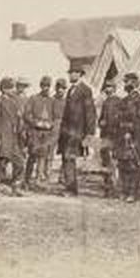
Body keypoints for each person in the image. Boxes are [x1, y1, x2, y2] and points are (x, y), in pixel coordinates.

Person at [57, 63, 96, 196]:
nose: (70, 75)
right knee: (66, 158)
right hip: (67, 133)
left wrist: (89, 134)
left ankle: (71, 189)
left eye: (73, 73)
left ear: (80, 74)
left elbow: (90, 112)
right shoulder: (70, 90)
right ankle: (70, 187)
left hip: (77, 132)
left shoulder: (85, 90)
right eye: (70, 73)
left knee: (69, 158)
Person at [0, 77, 25, 197]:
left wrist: (19, 118)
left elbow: (18, 120)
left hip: (13, 138)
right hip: (2, 137)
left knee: (19, 162)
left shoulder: (14, 102)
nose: (13, 90)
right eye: (10, 88)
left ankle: (16, 186)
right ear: (4, 89)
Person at [116, 72, 140, 203]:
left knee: (133, 164)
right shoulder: (124, 100)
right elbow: (119, 116)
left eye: (127, 82)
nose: (125, 84)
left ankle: (132, 193)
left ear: (135, 83)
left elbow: (139, 118)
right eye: (125, 82)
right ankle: (124, 191)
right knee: (122, 163)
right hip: (122, 136)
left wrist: (130, 129)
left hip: (135, 136)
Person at [24, 76, 55, 189]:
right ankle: (26, 180)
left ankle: (37, 180)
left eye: (48, 86)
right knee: (32, 156)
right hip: (35, 132)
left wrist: (50, 124)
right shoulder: (33, 99)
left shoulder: (52, 101)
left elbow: (55, 117)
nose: (46, 88)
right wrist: (36, 123)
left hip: (46, 133)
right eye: (44, 86)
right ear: (40, 86)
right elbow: (26, 115)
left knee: (42, 157)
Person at [98, 79, 120, 197]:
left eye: (110, 87)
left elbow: (118, 119)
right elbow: (101, 117)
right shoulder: (105, 102)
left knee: (113, 162)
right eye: (106, 87)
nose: (107, 89)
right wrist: (100, 122)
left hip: (113, 135)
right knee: (105, 161)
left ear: (114, 88)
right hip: (104, 135)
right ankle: (107, 187)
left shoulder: (118, 101)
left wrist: (110, 124)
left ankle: (115, 188)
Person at [52, 78, 68, 183]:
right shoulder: (52, 100)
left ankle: (63, 176)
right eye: (59, 88)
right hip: (53, 126)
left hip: (65, 127)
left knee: (65, 152)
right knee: (48, 151)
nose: (60, 90)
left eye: (63, 88)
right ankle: (44, 174)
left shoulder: (67, 101)